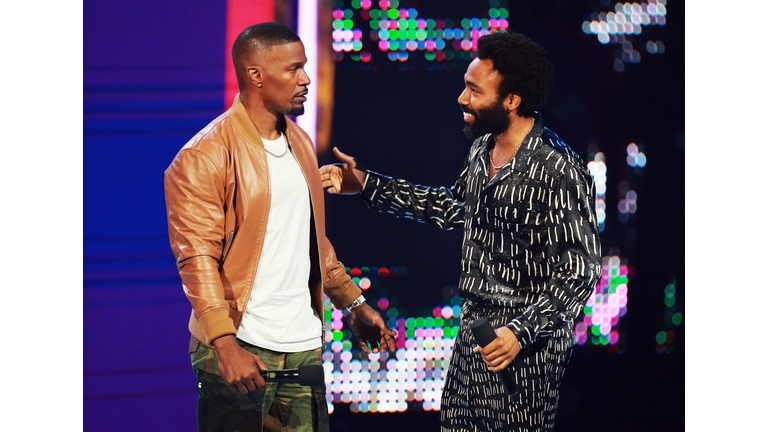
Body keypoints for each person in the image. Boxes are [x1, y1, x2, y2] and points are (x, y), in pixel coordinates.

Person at [320, 31, 601, 431]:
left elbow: (581, 272)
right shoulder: (482, 150)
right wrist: (366, 183)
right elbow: (450, 208)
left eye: (474, 90)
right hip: (473, 332)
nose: (462, 99)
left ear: (511, 100)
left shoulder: (559, 168)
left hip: (522, 349)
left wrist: (519, 333)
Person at [164, 22, 395, 432]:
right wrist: (224, 343)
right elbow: (197, 258)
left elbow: (309, 239)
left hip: (303, 344)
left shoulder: (300, 142)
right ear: (255, 75)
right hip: (241, 346)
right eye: (293, 69)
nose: (306, 79)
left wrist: (353, 304)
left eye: (304, 67)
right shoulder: (205, 155)